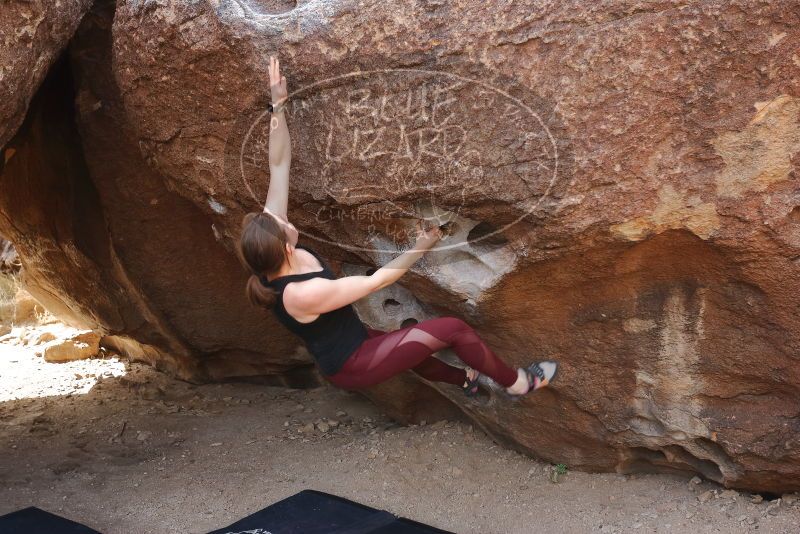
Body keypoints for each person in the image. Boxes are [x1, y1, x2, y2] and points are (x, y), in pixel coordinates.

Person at [237, 56, 557, 397]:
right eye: (283, 222)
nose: (283, 217)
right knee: (453, 329)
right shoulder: (301, 294)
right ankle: (519, 383)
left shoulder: (270, 248)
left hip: (356, 339)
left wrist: (278, 106)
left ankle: (466, 381)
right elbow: (379, 281)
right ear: (286, 247)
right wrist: (420, 246)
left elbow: (279, 163)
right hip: (352, 364)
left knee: (412, 350)